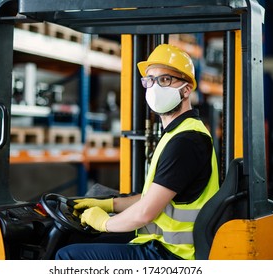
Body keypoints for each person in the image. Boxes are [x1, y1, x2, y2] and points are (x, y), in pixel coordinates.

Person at [55, 44, 219, 260]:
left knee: (69, 257)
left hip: (172, 255)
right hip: (160, 245)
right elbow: (152, 198)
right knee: (79, 240)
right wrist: (108, 204)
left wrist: (104, 222)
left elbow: (146, 212)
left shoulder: (186, 141)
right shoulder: (177, 133)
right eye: (149, 80)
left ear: (187, 89)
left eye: (165, 80)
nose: (154, 87)